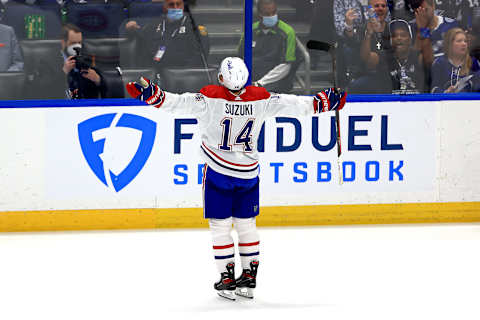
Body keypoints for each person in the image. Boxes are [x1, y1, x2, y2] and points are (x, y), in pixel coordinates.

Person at [125, 57, 347, 300]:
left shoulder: (209, 97)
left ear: (221, 78)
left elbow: (178, 103)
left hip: (218, 173)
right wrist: (324, 102)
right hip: (249, 174)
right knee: (247, 224)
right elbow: (294, 104)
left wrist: (152, 95)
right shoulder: (261, 98)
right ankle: (250, 276)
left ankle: (227, 276)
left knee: (220, 226)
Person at [125, 0, 210, 77]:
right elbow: (142, 42)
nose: (175, 8)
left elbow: (201, 55)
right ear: (164, 7)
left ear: (183, 6)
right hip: (157, 75)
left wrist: (182, 74)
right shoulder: (155, 25)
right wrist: (131, 30)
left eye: (178, 4)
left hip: (184, 76)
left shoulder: (194, 27)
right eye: (171, 5)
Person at [238, 0, 297, 93]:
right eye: (267, 13)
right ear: (260, 14)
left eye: (273, 12)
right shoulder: (251, 29)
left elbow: (286, 65)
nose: (271, 16)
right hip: (250, 79)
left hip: (275, 84)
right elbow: (241, 56)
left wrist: (261, 83)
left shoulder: (287, 32)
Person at [377, 19, 433, 93]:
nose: (399, 38)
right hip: (391, 102)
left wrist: (424, 29)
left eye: (403, 35)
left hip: (417, 102)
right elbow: (367, 59)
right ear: (390, 40)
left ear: (410, 39)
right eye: (394, 36)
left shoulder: (417, 56)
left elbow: (429, 59)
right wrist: (368, 33)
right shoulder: (384, 57)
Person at [61, 23, 107, 99]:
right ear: (63, 43)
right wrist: (63, 73)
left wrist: (98, 80)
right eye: (73, 43)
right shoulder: (51, 59)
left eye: (79, 42)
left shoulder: (86, 57)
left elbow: (105, 89)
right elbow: (45, 88)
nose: (77, 46)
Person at [431, 27, 480, 92]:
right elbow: (434, 88)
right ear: (449, 44)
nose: (464, 44)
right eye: (459, 41)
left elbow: (477, 86)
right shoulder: (439, 63)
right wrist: (446, 92)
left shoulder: (473, 62)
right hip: (445, 100)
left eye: (465, 41)